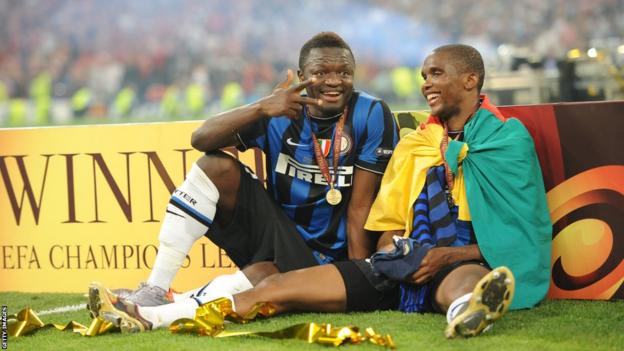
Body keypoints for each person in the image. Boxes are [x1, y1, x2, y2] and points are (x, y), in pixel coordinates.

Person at [89, 44, 551, 338]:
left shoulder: (493, 139)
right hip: (329, 249)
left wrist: (413, 261)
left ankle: (468, 311)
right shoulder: (421, 143)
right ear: (302, 72)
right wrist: (262, 108)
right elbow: (390, 221)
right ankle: (152, 301)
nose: (426, 83)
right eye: (424, 75)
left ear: (470, 80)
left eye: (436, 74)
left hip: (412, 260)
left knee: (459, 284)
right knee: (223, 185)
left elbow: (366, 209)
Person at [123, 32, 399, 307]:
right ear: (302, 75)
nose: (334, 81)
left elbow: (360, 207)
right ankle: (156, 289)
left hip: (333, 257)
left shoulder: (371, 113)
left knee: (260, 278)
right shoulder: (280, 111)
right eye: (321, 72)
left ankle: (171, 304)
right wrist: (262, 108)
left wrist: (355, 279)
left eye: (344, 72)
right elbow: (200, 139)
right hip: (281, 238)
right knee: (216, 164)